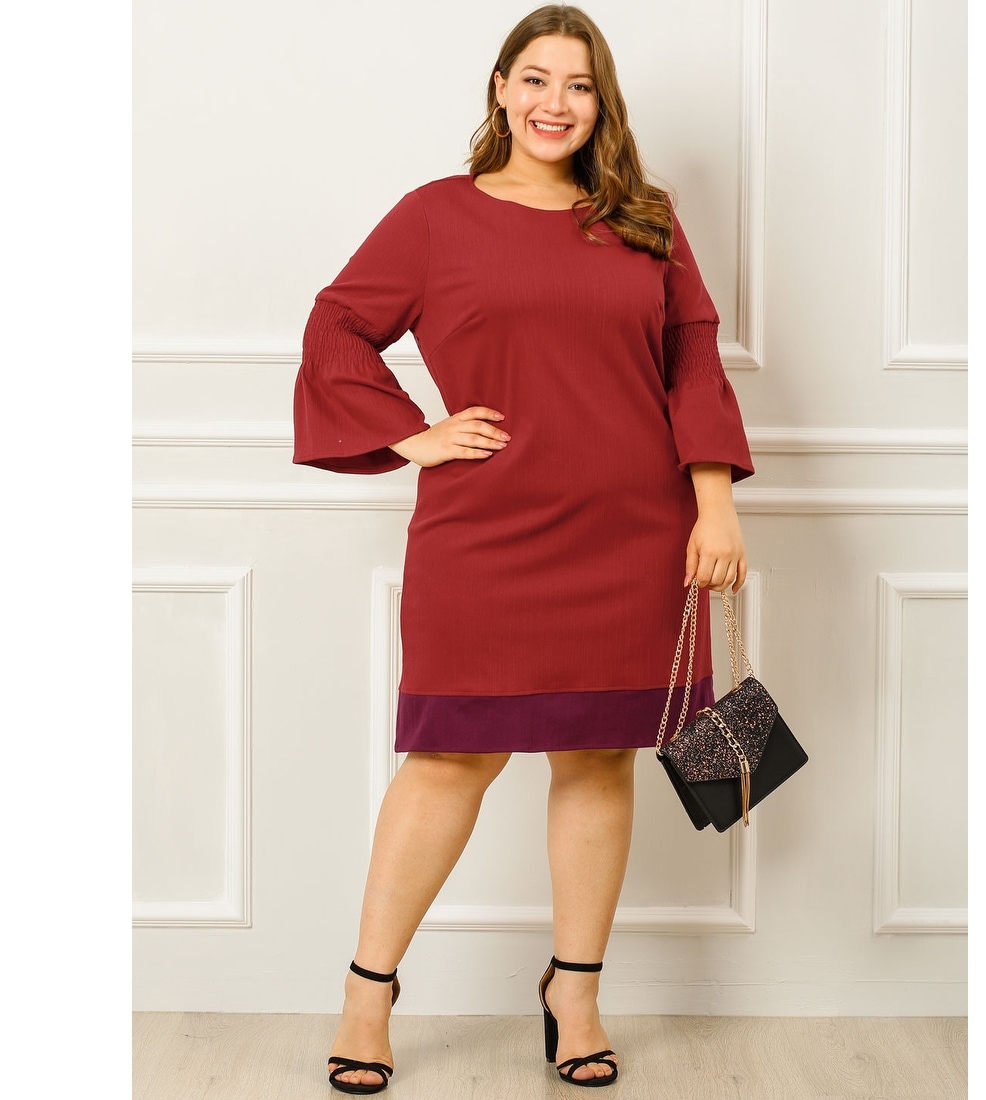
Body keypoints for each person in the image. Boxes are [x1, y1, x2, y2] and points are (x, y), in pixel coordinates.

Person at [292, 4, 754, 1093]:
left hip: (634, 531)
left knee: (597, 756)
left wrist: (714, 504)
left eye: (579, 84)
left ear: (602, 103)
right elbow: (337, 325)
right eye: (536, 78)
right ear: (500, 88)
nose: (556, 102)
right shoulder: (434, 215)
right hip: (483, 534)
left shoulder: (642, 218)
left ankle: (574, 992)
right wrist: (413, 432)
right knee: (450, 757)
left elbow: (691, 357)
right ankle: (367, 992)